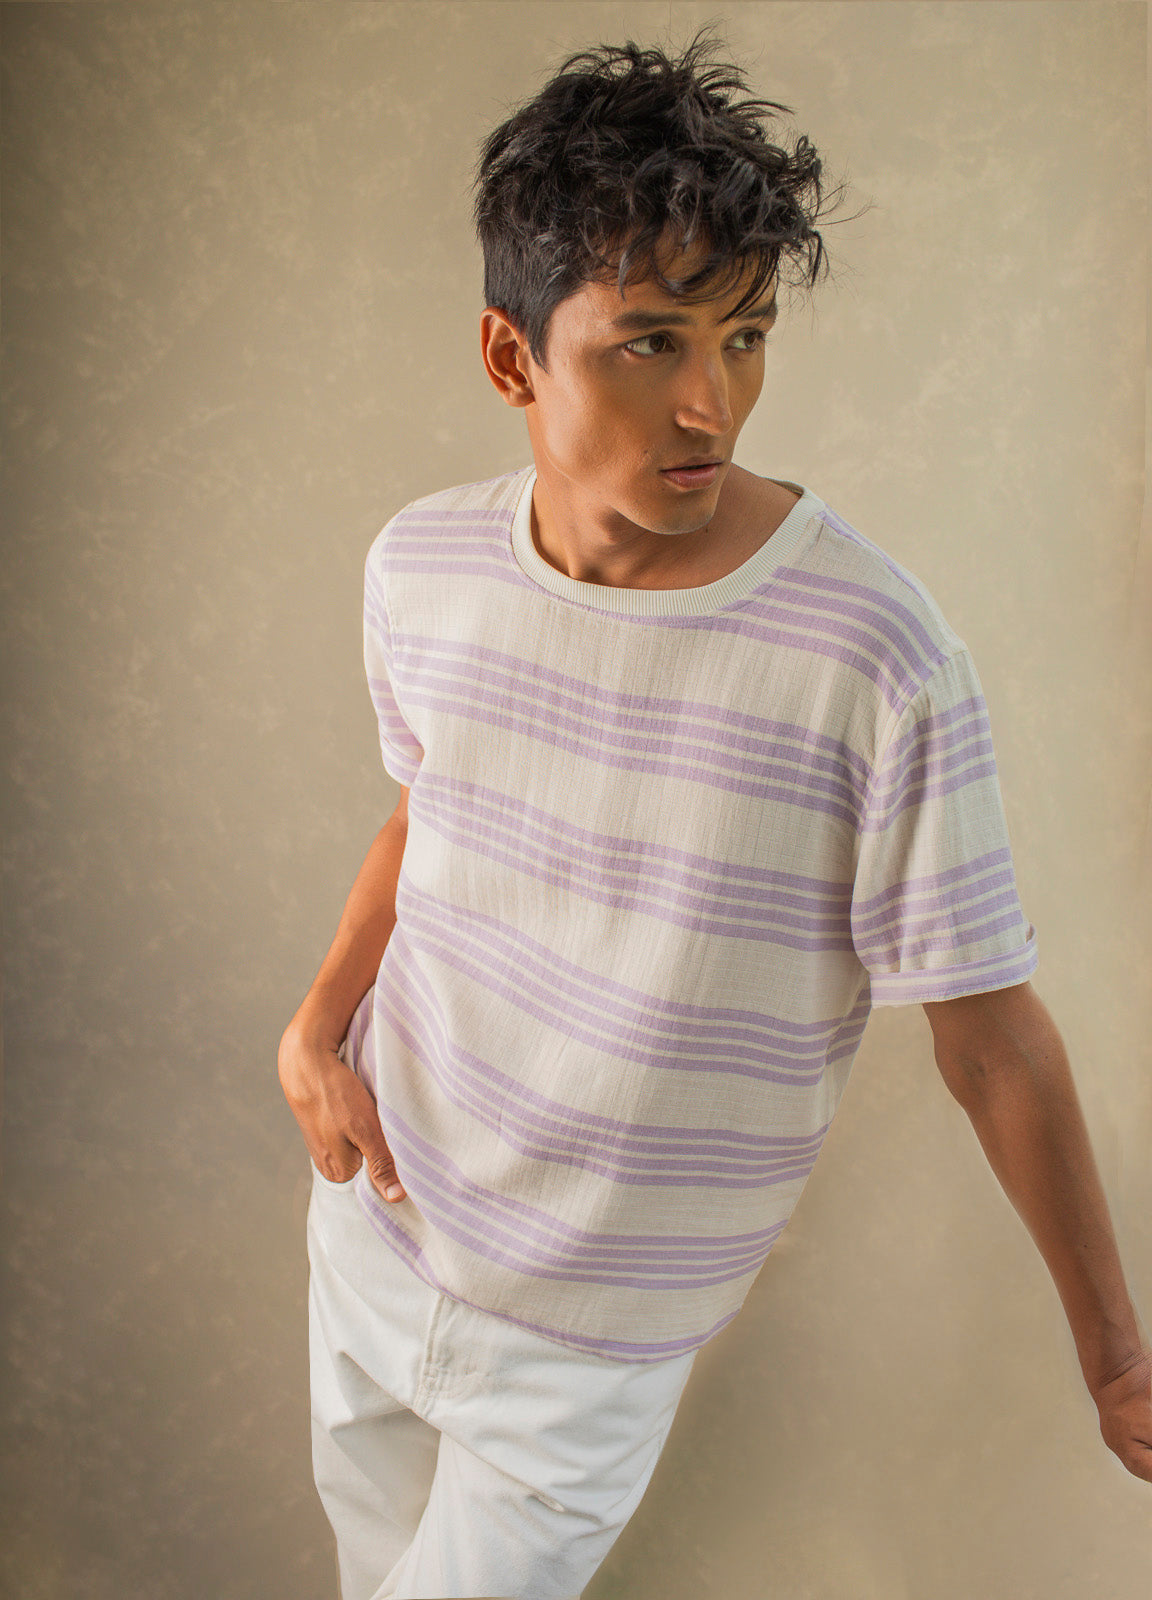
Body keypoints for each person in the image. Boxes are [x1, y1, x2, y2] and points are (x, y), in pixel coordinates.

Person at [279, 32, 1152, 1600]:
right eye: (652, 342)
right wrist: (317, 1022)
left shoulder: (877, 658)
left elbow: (990, 1040)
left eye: (746, 337)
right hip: (376, 1237)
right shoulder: (419, 566)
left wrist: (1115, 1355)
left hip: (590, 1346)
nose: (713, 403)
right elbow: (429, 813)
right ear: (511, 358)